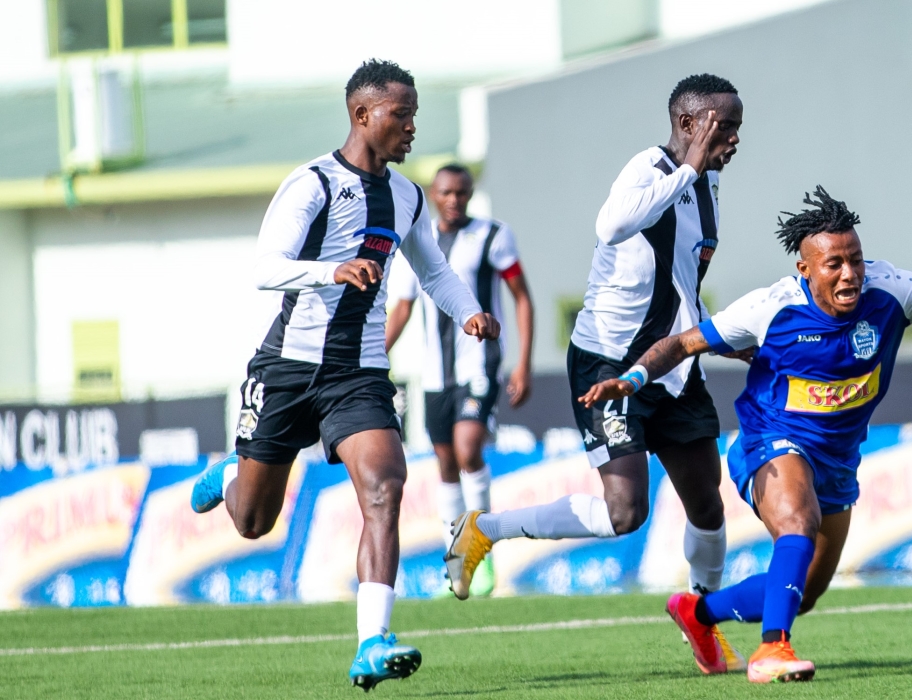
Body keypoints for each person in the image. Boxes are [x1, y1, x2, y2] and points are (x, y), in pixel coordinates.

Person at [578, 185, 912, 683]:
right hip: (770, 439)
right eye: (834, 264)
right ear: (805, 269)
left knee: (806, 590)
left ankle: (699, 612)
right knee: (797, 522)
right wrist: (633, 379)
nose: (850, 274)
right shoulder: (770, 308)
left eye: (855, 260)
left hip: (837, 458)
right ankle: (771, 650)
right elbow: (681, 344)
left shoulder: (891, 289)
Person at [188, 59, 499, 692]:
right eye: (401, 114)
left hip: (360, 373)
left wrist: (468, 312)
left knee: (386, 486)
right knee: (252, 522)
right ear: (362, 114)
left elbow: (434, 272)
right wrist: (328, 271)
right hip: (288, 368)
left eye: (414, 114)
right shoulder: (313, 184)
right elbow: (265, 267)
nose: (411, 127)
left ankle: (372, 641)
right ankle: (232, 476)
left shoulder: (407, 195)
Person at [444, 73, 747, 674]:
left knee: (707, 506)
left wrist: (718, 338)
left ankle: (702, 620)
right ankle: (484, 528)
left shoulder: (708, 183)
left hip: (672, 363)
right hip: (608, 360)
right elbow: (610, 225)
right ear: (689, 125)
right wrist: (688, 167)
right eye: (725, 127)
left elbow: (681, 280)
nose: (735, 139)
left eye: (738, 127)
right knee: (624, 513)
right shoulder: (649, 169)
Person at [385, 163, 534, 596]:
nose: (454, 200)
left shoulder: (492, 235)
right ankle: (456, 563)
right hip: (435, 375)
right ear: (433, 194)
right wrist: (374, 355)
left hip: (478, 366)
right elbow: (402, 308)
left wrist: (522, 363)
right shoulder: (418, 242)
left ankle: (481, 553)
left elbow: (522, 297)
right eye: (447, 193)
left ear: (470, 194)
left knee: (469, 449)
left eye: (462, 193)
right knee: (446, 465)